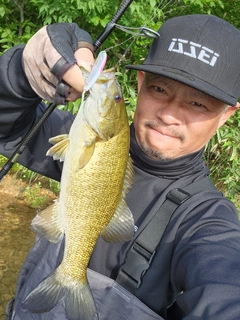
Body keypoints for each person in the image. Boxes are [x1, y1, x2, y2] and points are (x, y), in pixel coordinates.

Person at [1, 14, 240, 320]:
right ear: (140, 84)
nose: (170, 114)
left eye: (198, 104)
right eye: (160, 90)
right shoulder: (83, 141)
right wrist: (19, 74)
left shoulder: (208, 221)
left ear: (226, 115)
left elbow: (225, 290)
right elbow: (7, 129)